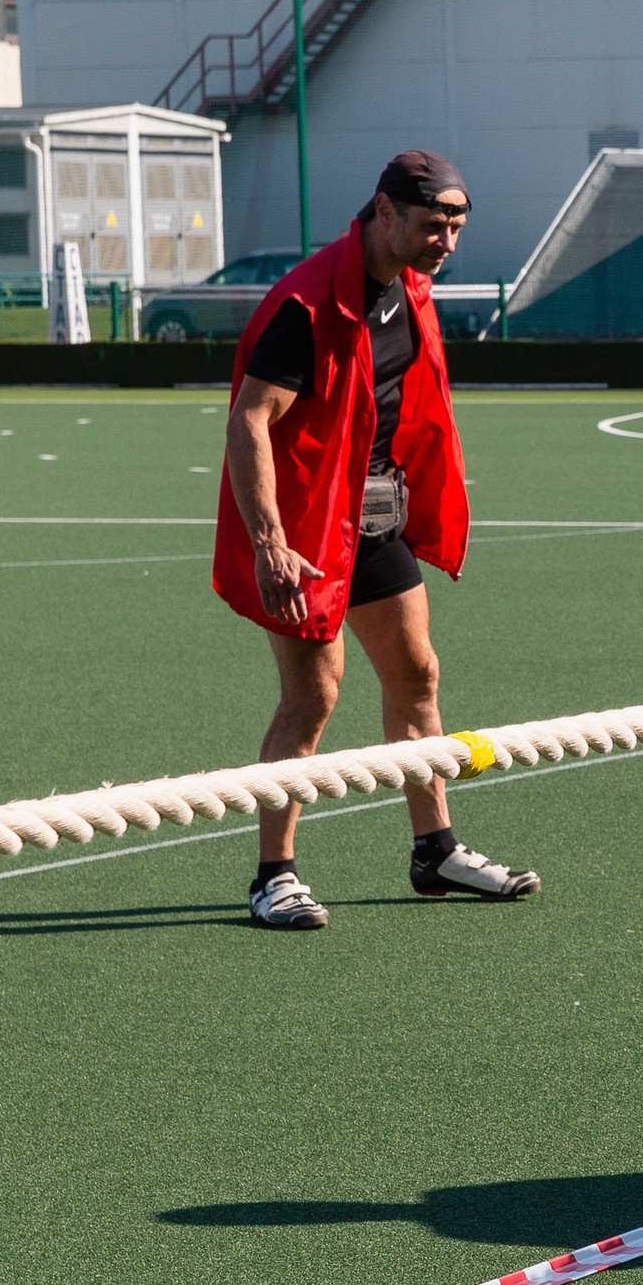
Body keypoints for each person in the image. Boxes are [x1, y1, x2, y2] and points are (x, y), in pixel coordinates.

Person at [215, 151, 539, 930]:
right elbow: (250, 419)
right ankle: (273, 875)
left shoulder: (408, 291)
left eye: (457, 227)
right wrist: (270, 543)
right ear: (383, 211)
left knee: (418, 674)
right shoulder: (307, 306)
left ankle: (435, 850)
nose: (447, 242)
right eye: (434, 225)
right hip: (305, 534)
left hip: (374, 520)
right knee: (313, 695)